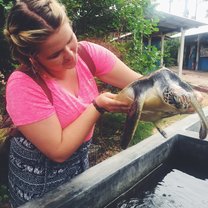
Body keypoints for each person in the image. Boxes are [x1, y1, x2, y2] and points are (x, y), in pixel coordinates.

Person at [4, 0, 142, 207]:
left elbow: (142, 84)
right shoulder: (23, 84)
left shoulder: (88, 54)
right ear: (31, 56)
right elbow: (58, 151)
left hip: (79, 170)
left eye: (70, 40)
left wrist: (180, 92)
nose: (70, 56)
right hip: (38, 185)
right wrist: (97, 107)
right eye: (55, 54)